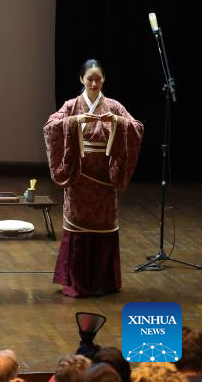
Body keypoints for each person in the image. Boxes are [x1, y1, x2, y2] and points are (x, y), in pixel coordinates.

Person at [44, 59, 142, 297]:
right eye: (90, 79)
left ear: (104, 79)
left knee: (104, 224)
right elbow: (50, 127)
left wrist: (117, 122)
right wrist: (76, 121)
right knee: (78, 225)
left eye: (98, 79)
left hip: (105, 179)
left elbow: (137, 127)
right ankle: (77, 280)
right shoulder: (71, 105)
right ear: (81, 79)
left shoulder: (114, 106)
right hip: (79, 177)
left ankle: (103, 281)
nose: (95, 83)